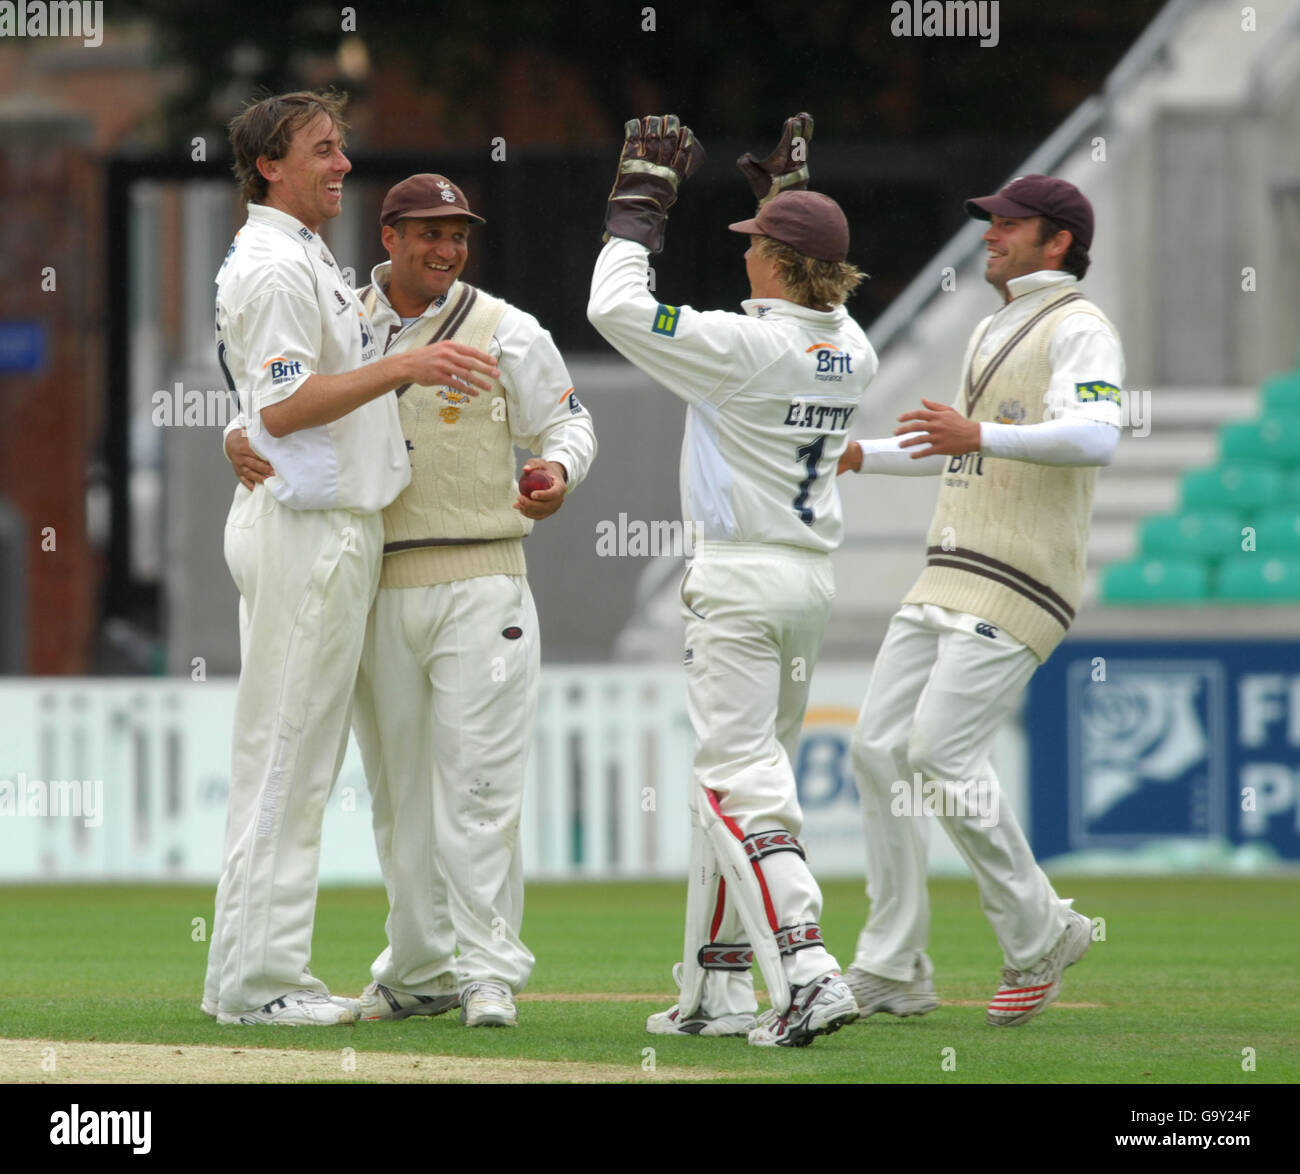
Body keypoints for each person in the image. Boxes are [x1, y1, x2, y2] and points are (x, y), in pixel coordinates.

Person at [228, 173, 596, 1029]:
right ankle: (423, 968)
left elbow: (569, 423)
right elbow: (273, 395)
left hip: (482, 575)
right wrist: (233, 437)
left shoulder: (507, 329)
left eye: (457, 235)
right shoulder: (344, 319)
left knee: (478, 788)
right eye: (428, 233)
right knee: (399, 798)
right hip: (379, 585)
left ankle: (489, 971)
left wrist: (558, 472)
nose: (446, 250)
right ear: (388, 237)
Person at [203, 92, 498, 1027]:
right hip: (314, 529)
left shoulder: (297, 257)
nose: (341, 165)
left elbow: (256, 394)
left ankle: (243, 978)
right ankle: (261, 985)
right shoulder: (275, 265)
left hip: (320, 525)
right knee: (290, 758)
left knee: (282, 756)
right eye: (322, 151)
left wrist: (235, 427)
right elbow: (287, 405)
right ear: (269, 167)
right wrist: (404, 367)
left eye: (340, 148)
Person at [588, 114, 877, 1046]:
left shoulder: (743, 350)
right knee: (752, 776)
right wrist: (785, 206)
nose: (745, 258)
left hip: (742, 582)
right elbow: (818, 304)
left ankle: (805, 966)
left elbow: (614, 311)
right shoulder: (852, 351)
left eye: (758, 246)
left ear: (783, 268)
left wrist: (638, 209)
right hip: (805, 583)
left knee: (731, 785)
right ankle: (716, 987)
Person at [837, 173, 1124, 1027]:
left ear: (1059, 240)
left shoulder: (1080, 325)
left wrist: (979, 433)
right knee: (878, 752)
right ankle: (892, 966)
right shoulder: (997, 323)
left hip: (1022, 575)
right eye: (991, 221)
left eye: (1009, 223)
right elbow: (959, 450)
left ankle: (1039, 933)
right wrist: (866, 456)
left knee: (938, 754)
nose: (990, 233)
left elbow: (1098, 437)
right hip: (949, 568)